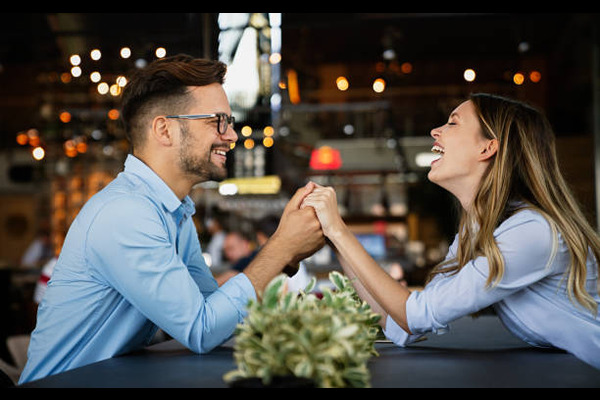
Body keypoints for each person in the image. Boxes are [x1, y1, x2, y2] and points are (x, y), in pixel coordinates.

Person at [19, 54, 324, 384]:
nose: (232, 136)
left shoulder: (173, 213)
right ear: (164, 129)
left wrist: (286, 256)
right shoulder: (126, 213)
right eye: (216, 121)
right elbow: (201, 329)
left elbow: (215, 313)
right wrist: (279, 248)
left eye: (230, 121)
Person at [301, 93, 600, 369]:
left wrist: (339, 230)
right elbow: (401, 323)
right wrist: (333, 236)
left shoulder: (532, 232)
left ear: (488, 147)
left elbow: (414, 315)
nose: (436, 131)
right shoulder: (476, 230)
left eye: (453, 122)